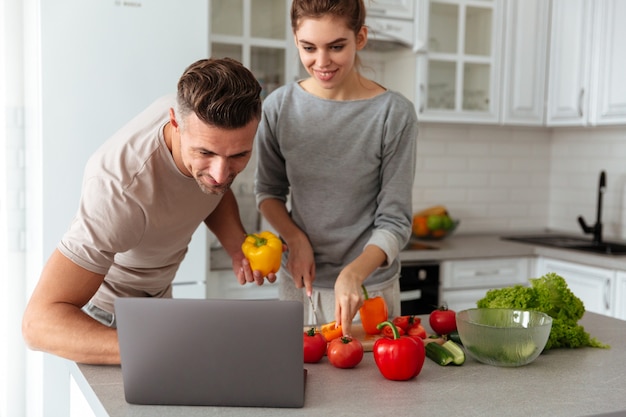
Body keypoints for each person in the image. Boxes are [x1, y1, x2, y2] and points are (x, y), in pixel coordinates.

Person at [22, 58, 271, 365]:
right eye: (205, 153)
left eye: (238, 155)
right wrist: (155, 350)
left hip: (158, 303)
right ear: (175, 123)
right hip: (107, 321)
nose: (221, 173)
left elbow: (214, 189)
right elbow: (37, 325)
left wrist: (236, 244)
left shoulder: (199, 121)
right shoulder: (118, 189)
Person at [254, 0, 418, 337]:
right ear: (296, 39)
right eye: (308, 47)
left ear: (360, 38)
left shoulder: (393, 113)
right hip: (299, 282)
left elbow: (396, 220)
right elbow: (268, 193)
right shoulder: (279, 107)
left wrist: (355, 272)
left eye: (336, 47)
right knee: (299, 384)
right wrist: (295, 238)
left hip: (369, 290)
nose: (322, 62)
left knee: (371, 389)